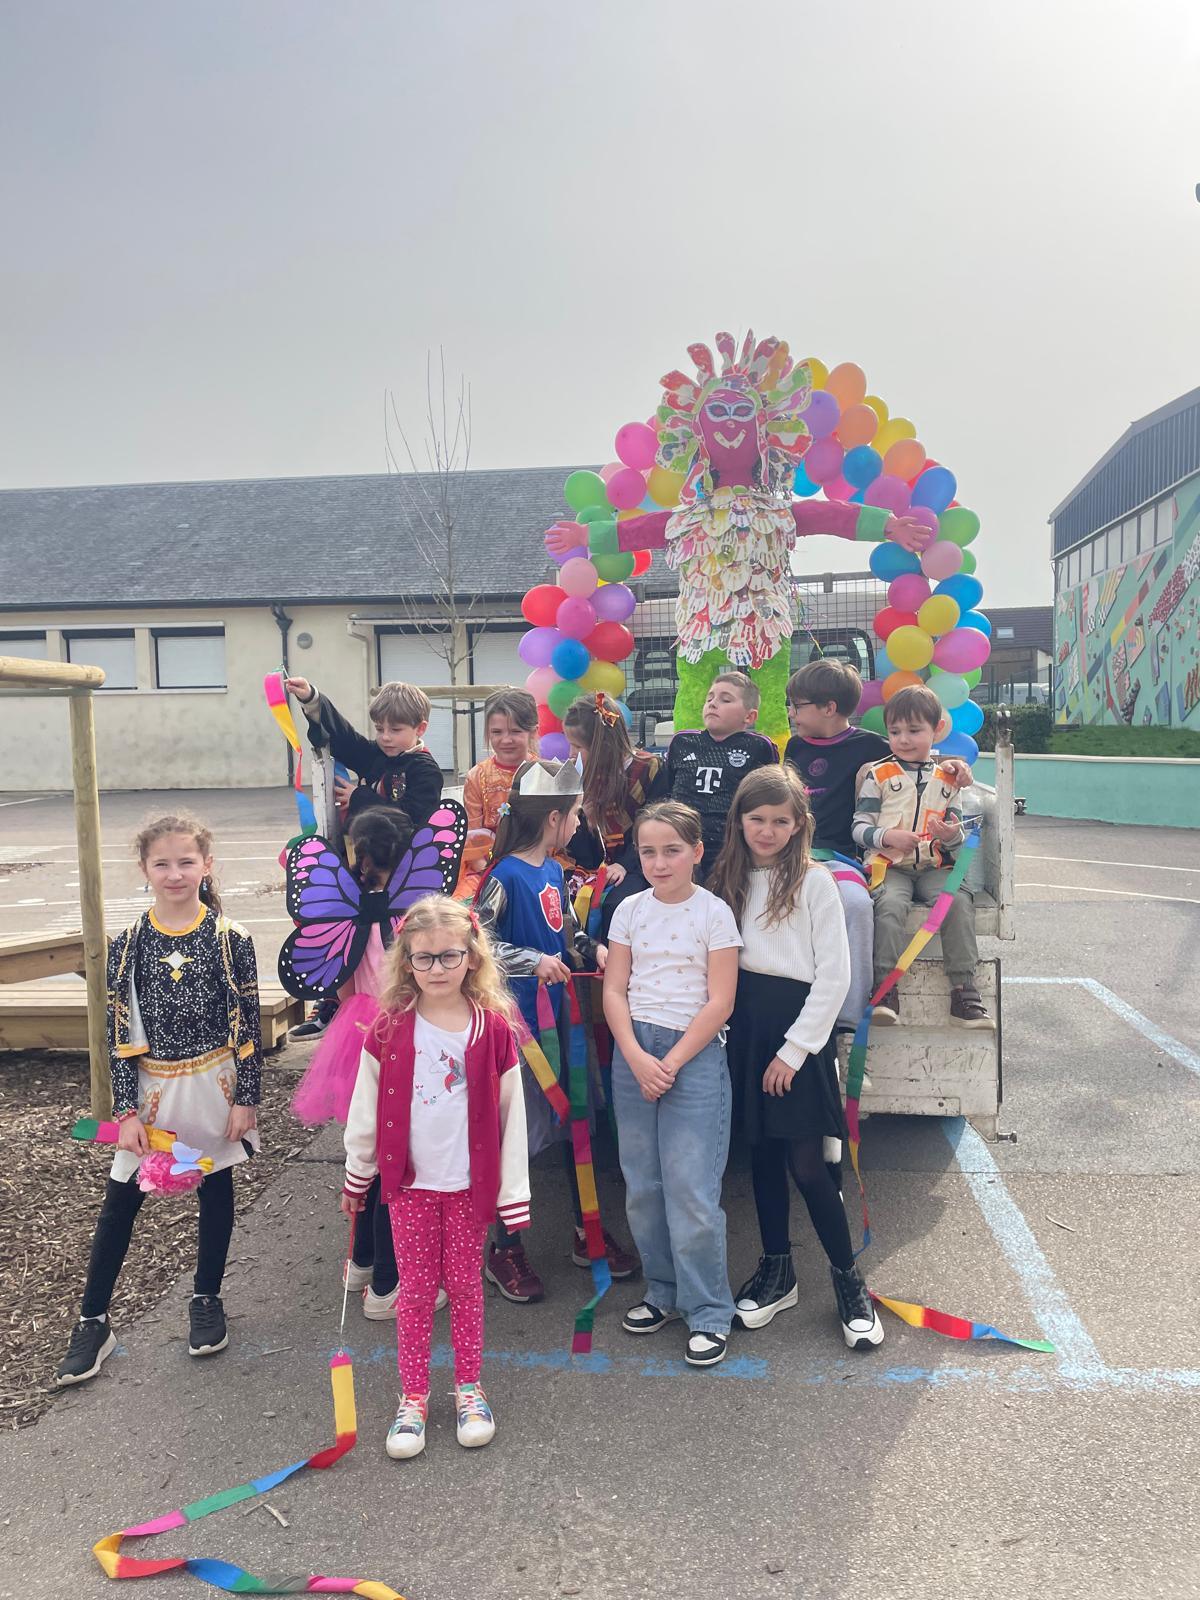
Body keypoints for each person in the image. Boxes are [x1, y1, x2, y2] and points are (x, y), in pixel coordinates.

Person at [56, 816, 262, 1386]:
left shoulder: (231, 938)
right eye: (162, 864)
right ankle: (94, 1320)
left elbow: (248, 1023)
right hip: (151, 1091)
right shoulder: (128, 945)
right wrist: (124, 1113)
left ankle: (205, 1299)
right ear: (144, 870)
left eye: (186, 862)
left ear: (207, 865)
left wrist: (246, 1098)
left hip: (214, 1085)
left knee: (215, 1188)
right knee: (120, 1202)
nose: (175, 874)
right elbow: (118, 1034)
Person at [341, 896, 527, 1459]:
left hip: (471, 1186)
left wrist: (513, 1193)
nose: (437, 969)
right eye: (423, 959)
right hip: (410, 1186)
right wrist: (358, 1171)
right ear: (406, 962)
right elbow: (365, 1106)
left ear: (472, 957)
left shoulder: (492, 1031)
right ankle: (414, 1397)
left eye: (449, 956)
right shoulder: (388, 1029)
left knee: (467, 1287)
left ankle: (469, 1388)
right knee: (416, 1292)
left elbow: (512, 1114)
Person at [707, 766, 883, 1349]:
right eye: (756, 818)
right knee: (759, 1155)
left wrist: (795, 1050)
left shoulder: (814, 883)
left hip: (795, 1029)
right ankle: (777, 1270)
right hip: (745, 1023)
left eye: (780, 820)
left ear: (798, 825)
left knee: (808, 1164)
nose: (767, 829)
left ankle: (847, 1280)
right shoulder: (726, 876)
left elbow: (835, 976)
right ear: (739, 820)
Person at [475, 758, 637, 1302]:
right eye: (574, 815)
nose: (579, 824)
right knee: (517, 1136)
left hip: (563, 1019)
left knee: (580, 1124)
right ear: (553, 818)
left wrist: (598, 949)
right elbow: (479, 947)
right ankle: (505, 1248)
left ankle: (585, 1230)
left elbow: (566, 931)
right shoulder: (503, 876)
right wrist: (530, 960)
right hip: (520, 1030)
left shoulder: (550, 869)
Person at [603, 801, 742, 1368]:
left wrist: (673, 1061)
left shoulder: (715, 915)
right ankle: (662, 1290)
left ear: (697, 852)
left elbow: (721, 1000)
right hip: (634, 1051)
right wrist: (635, 1056)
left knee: (691, 1187)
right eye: (648, 852)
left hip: (695, 1054)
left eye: (672, 851)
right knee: (642, 1184)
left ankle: (709, 1309)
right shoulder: (629, 909)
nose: (659, 863)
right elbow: (614, 989)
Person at [784, 660, 971, 1029]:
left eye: (796, 705)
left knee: (863, 905)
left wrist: (957, 766)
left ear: (828, 708)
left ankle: (855, 1014)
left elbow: (916, 761)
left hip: (845, 857)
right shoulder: (794, 745)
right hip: (798, 852)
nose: (790, 713)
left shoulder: (870, 747)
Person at [290, 807, 412, 1318]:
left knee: (363, 1150)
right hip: (400, 1030)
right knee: (395, 1163)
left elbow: (338, 982)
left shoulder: (342, 913)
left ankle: (360, 1260)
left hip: (355, 1029)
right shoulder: (411, 913)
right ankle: (387, 1285)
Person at [851, 684, 993, 1029]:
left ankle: (964, 991)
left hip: (934, 866)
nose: (903, 739)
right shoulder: (878, 774)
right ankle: (885, 990)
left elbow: (956, 833)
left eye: (914, 730)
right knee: (888, 906)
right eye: (895, 731)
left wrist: (951, 834)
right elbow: (858, 827)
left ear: (937, 730)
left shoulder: (949, 777)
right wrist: (887, 837)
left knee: (958, 901)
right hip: (891, 866)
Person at [561, 692, 667, 930]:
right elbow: (582, 852)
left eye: (577, 746)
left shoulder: (649, 770)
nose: (571, 753)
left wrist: (625, 864)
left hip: (639, 862)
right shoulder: (578, 776)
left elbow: (655, 827)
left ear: (603, 745)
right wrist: (586, 822)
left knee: (617, 905)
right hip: (591, 865)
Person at [284, 675, 443, 830]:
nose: (385, 737)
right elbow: (344, 737)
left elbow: (410, 818)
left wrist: (358, 797)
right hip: (360, 851)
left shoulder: (426, 771)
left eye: (395, 730)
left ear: (421, 728)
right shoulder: (376, 754)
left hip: (404, 854)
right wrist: (311, 699)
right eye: (379, 729)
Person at [665, 670, 778, 880]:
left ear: (749, 716)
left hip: (730, 845)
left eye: (725, 699)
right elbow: (667, 789)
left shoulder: (759, 747)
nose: (713, 703)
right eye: (710, 698)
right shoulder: (682, 742)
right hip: (680, 837)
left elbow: (768, 799)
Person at [458, 688, 539, 895]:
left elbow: (550, 836)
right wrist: (489, 873)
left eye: (515, 731)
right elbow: (473, 840)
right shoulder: (477, 776)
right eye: (497, 732)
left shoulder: (543, 773)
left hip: (536, 864)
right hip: (485, 867)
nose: (506, 740)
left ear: (533, 732)